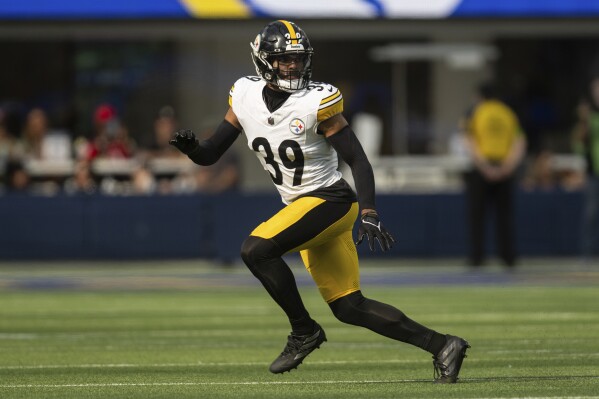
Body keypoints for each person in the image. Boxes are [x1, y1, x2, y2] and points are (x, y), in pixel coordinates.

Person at [170, 20, 469, 383]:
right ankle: (443, 345)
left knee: (255, 250)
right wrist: (192, 149)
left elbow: (358, 159)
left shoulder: (318, 101)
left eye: (298, 59)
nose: (293, 66)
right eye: (284, 59)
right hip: (304, 207)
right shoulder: (244, 95)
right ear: (264, 60)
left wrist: (370, 210)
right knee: (349, 306)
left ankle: (303, 331)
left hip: (331, 200)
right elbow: (211, 153)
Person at [462, 82, 527, 268]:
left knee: (477, 216)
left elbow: (469, 141)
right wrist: (508, 166)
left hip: (482, 168)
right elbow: (520, 141)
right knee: (504, 216)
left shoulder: (476, 112)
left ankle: (476, 258)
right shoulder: (507, 113)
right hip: (505, 168)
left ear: (479, 96)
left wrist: (484, 167)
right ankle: (508, 257)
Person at [572, 77, 599, 260]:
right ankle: (588, 253)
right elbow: (579, 143)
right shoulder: (587, 115)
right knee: (592, 213)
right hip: (594, 171)